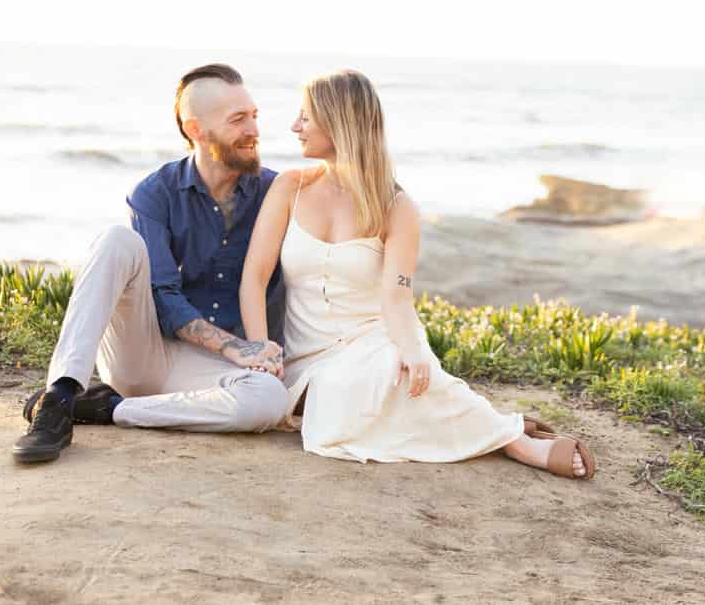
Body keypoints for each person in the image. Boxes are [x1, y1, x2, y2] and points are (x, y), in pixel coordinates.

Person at [238, 69, 594, 479]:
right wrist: (259, 349)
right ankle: (488, 423)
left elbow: (397, 297)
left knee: (395, 372)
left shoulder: (396, 206)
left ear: (339, 122)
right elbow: (254, 275)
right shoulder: (290, 186)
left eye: (306, 116)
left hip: (372, 338)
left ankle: (515, 441)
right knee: (337, 400)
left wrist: (411, 349)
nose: (294, 127)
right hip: (307, 357)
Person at [13, 64, 291, 464]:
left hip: (219, 375)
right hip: (149, 355)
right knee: (116, 241)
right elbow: (163, 295)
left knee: (267, 401)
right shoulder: (154, 192)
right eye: (238, 120)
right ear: (196, 130)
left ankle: (107, 409)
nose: (253, 130)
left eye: (254, 116)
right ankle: (59, 396)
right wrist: (236, 347)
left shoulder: (275, 192)